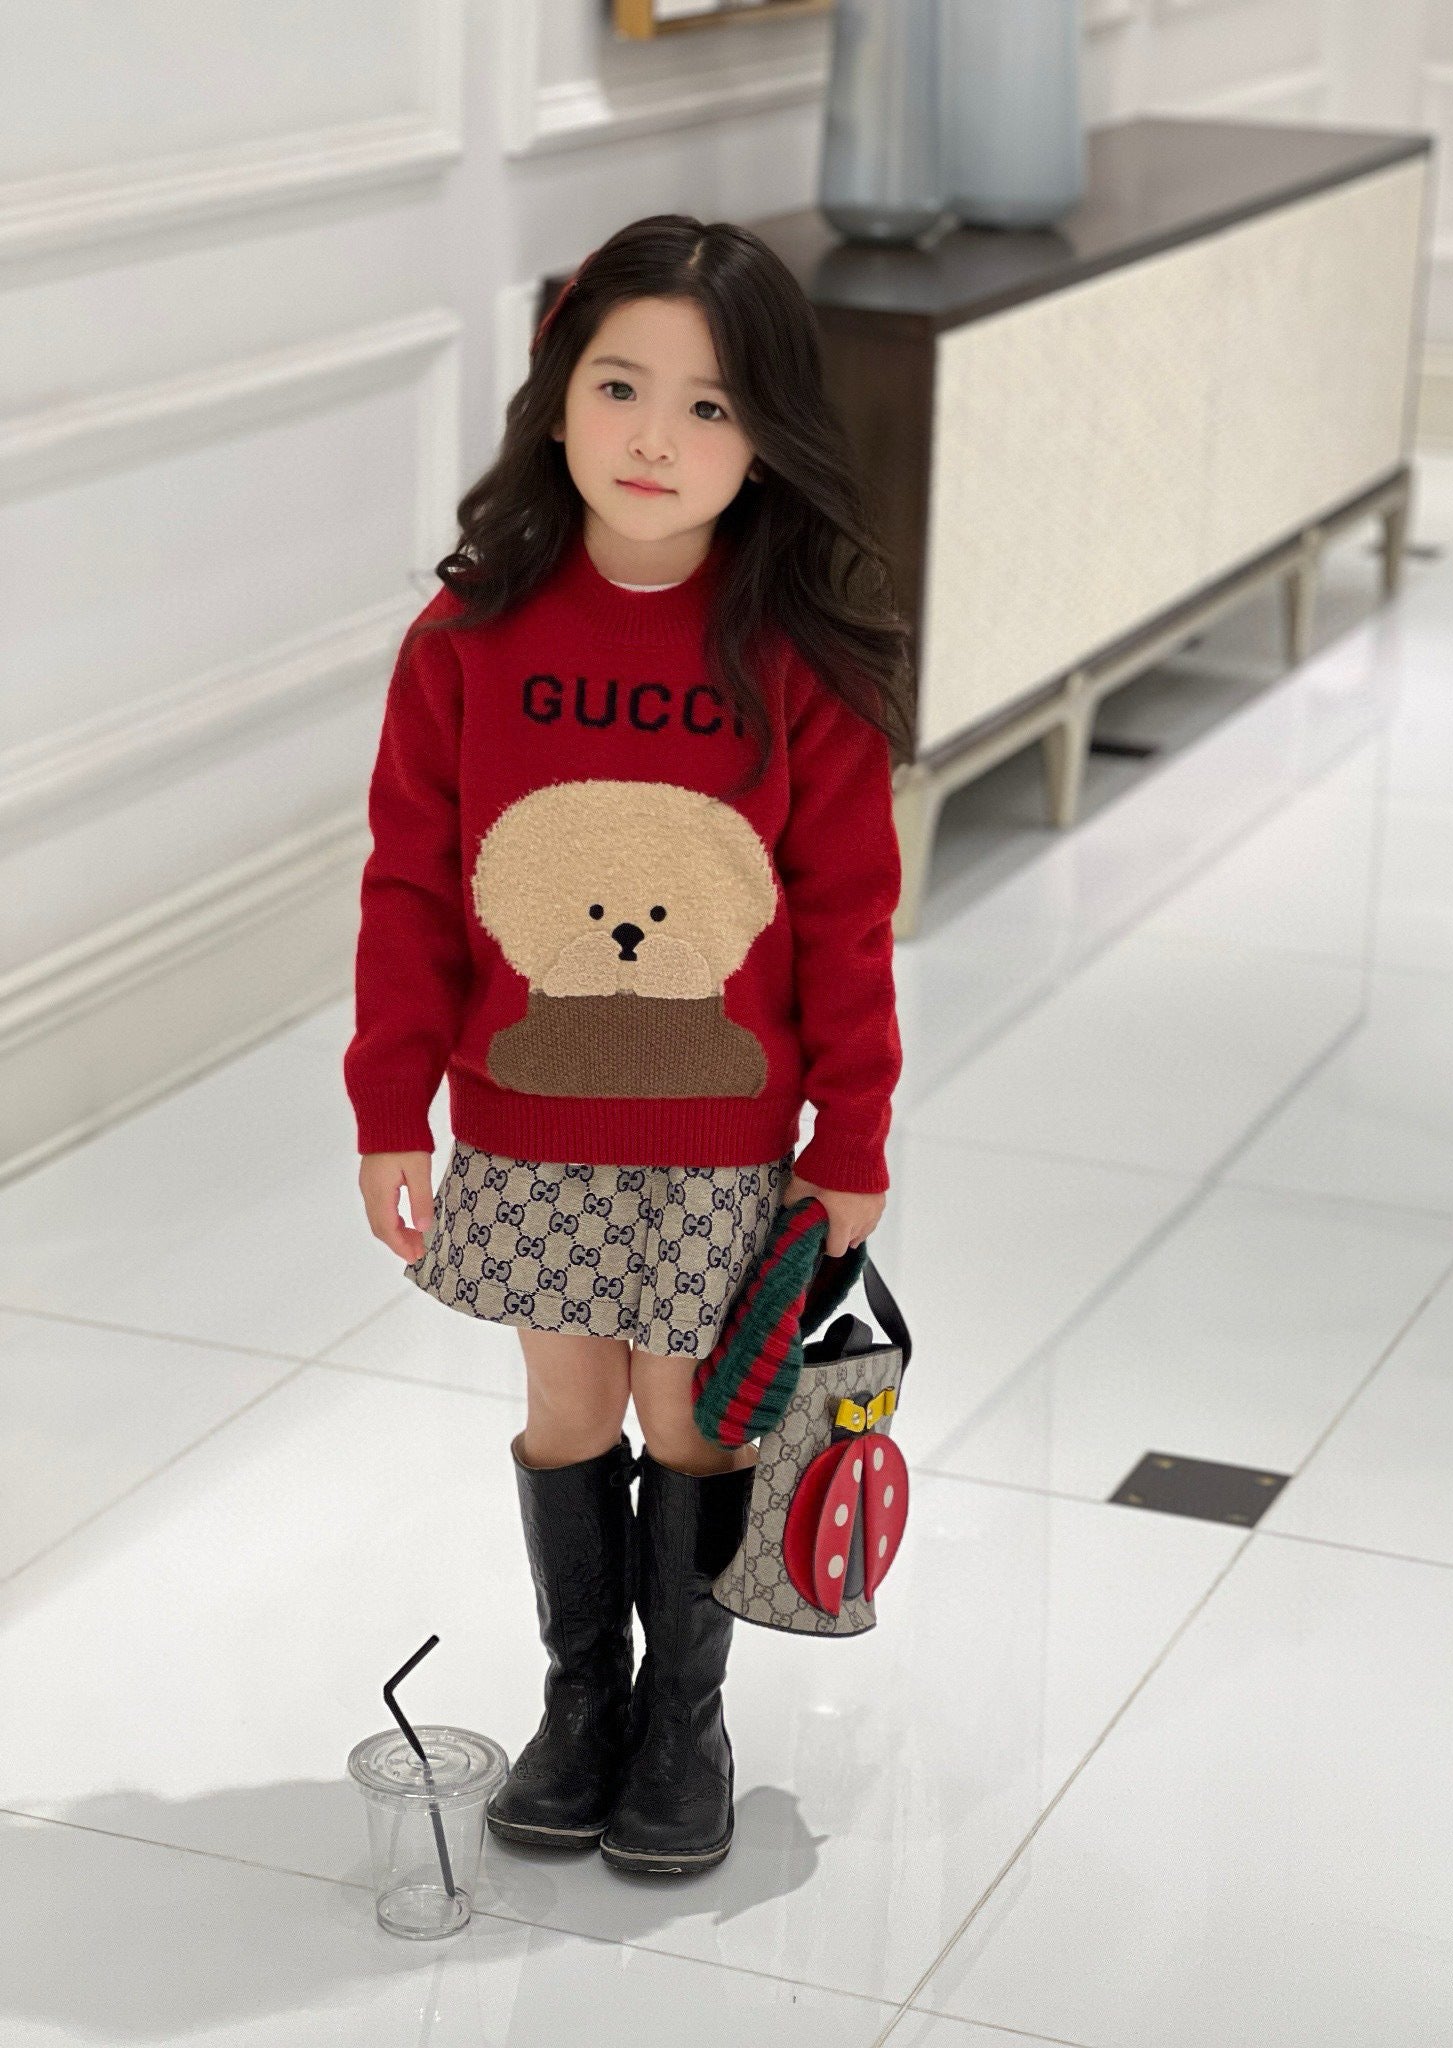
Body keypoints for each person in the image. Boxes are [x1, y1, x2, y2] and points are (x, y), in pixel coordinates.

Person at [343, 213, 912, 1878]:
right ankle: (583, 1701)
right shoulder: (468, 638)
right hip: (528, 1121)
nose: (656, 436)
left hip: (725, 1140)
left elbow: (846, 919)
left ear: (768, 438)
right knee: (568, 1399)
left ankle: (686, 1721)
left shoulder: (790, 654)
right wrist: (390, 1107)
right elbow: (408, 886)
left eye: (711, 405)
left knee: (694, 1415)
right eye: (620, 385)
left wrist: (852, 1142)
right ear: (557, 397)